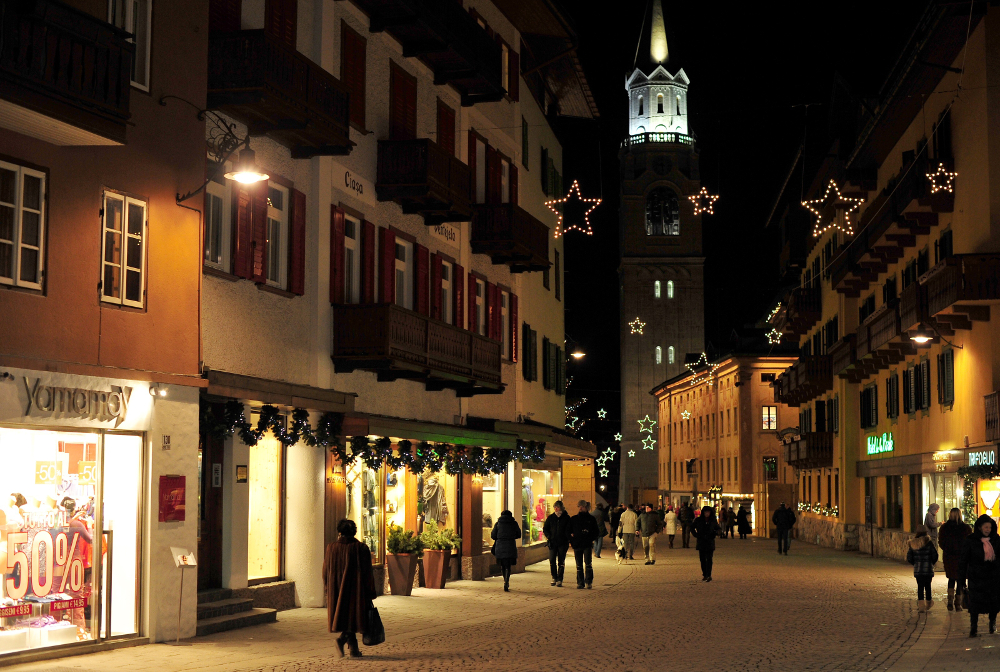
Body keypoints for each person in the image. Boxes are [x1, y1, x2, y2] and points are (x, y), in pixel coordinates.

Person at [323, 519, 377, 658]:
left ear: (339, 532)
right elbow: (367, 572)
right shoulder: (361, 548)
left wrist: (327, 588)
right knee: (353, 617)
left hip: (336, 589)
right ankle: (341, 640)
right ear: (354, 532)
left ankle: (354, 650)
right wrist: (371, 590)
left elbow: (325, 570)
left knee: (347, 618)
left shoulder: (331, 548)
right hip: (356, 590)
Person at [959, 514, 1000, 637]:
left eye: (990, 527)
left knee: (994, 602)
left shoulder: (996, 540)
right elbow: (963, 560)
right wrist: (961, 580)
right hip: (976, 577)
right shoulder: (971, 541)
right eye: (985, 527)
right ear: (980, 527)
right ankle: (974, 626)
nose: (988, 530)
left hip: (992, 577)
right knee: (975, 603)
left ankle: (992, 623)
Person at [939, 508, 972, 611]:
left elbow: (941, 542)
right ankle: (958, 603)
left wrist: (948, 549)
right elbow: (969, 543)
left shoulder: (945, 528)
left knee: (951, 579)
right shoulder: (966, 528)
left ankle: (950, 601)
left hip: (949, 558)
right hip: (962, 558)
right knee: (960, 580)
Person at [907, 525, 939, 612]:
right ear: (926, 532)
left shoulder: (913, 543)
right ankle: (928, 603)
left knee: (920, 587)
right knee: (928, 586)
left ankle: (921, 606)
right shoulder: (929, 543)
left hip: (918, 570)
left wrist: (915, 563)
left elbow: (909, 557)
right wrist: (931, 562)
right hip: (928, 569)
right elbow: (935, 555)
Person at [571, 500, 600, 589]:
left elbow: (596, 531)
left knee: (588, 563)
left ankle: (588, 581)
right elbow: (569, 531)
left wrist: (590, 537)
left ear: (586, 507)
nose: (580, 508)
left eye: (582, 506)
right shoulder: (574, 519)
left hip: (587, 544)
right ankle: (580, 582)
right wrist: (572, 540)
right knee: (579, 565)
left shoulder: (591, 519)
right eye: (579, 506)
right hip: (577, 544)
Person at [543, 500, 572, 587]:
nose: (556, 509)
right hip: (553, 542)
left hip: (563, 543)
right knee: (552, 560)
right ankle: (554, 577)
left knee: (561, 561)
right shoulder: (551, 518)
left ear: (561, 508)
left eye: (558, 507)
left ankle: (560, 579)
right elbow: (545, 528)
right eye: (555, 507)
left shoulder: (566, 518)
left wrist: (568, 538)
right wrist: (549, 536)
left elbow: (569, 529)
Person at [490, 509, 521, 592]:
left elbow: (493, 535)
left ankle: (505, 580)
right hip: (510, 545)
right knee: (508, 565)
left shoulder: (498, 524)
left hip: (500, 546)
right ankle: (507, 581)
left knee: (503, 565)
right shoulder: (514, 523)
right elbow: (519, 534)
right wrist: (511, 536)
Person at [691, 506, 721, 581]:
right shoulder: (698, 520)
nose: (707, 514)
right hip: (701, 541)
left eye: (708, 512)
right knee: (702, 559)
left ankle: (709, 575)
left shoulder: (713, 521)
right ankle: (704, 574)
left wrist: (715, 533)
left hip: (710, 541)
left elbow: (718, 529)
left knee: (709, 559)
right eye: (705, 512)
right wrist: (696, 535)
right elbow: (692, 527)